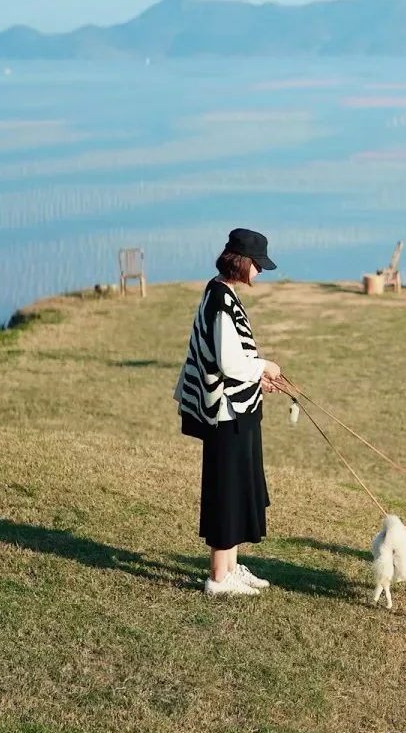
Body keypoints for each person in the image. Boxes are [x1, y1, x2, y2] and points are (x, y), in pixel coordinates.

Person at [174, 227, 284, 597]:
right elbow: (228, 361)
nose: (261, 272)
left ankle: (231, 568)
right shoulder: (220, 300)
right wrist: (263, 367)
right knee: (226, 491)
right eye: (258, 264)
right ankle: (219, 578)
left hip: (238, 410)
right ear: (242, 262)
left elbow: (237, 360)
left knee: (238, 488)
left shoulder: (223, 291)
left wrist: (258, 377)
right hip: (226, 414)